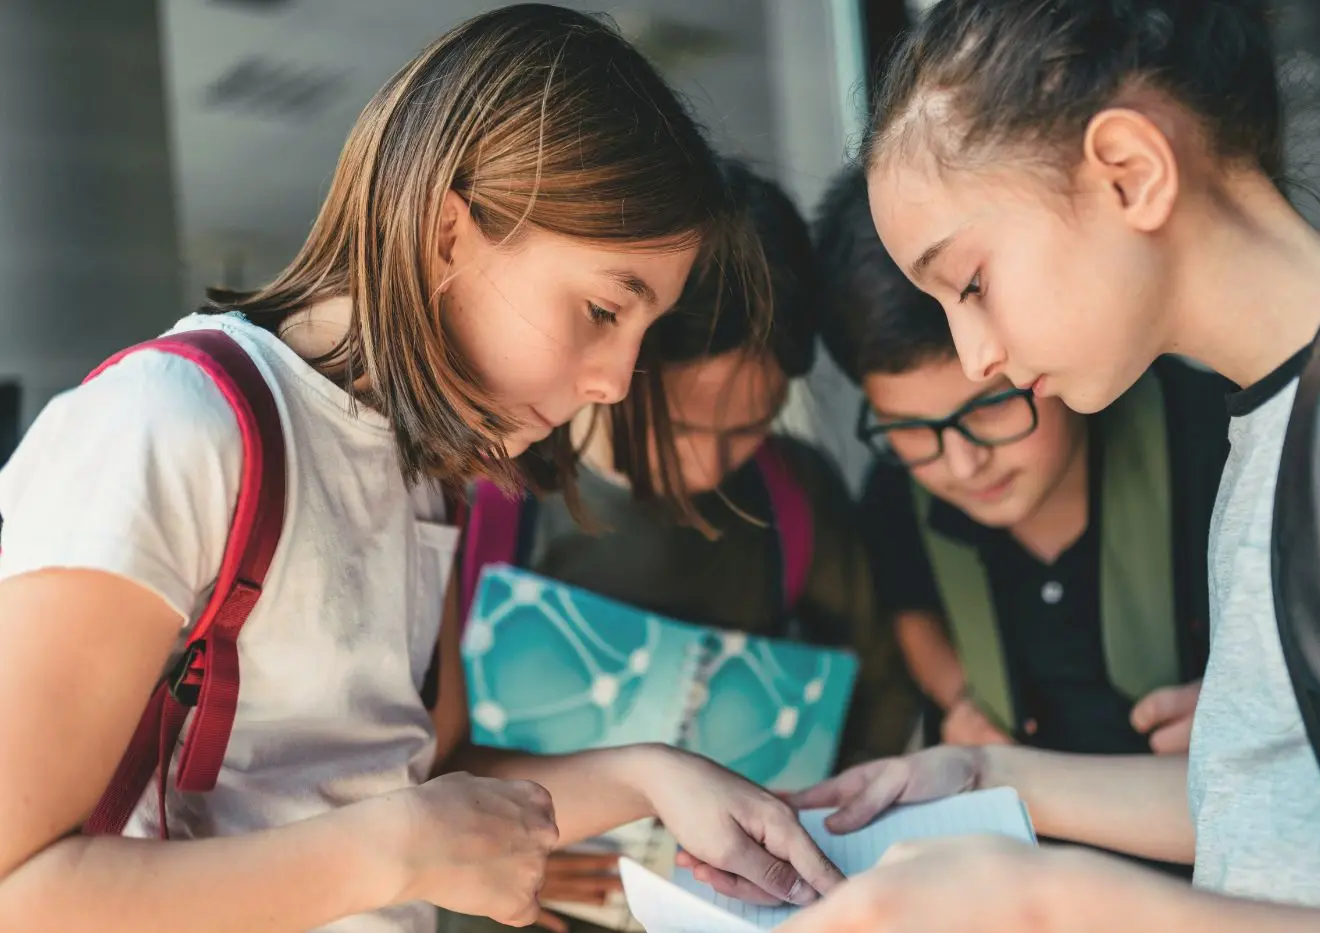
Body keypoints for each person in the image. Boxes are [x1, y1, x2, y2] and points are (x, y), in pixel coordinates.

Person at [0, 8, 844, 933]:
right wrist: (390, 852)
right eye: (604, 310)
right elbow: (18, 889)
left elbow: (416, 783)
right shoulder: (171, 426)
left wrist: (654, 776)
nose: (614, 381)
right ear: (448, 233)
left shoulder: (426, 470)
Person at [684, 0, 1320, 929]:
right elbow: (1278, 812)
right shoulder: (1273, 424)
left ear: (1130, 172)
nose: (976, 356)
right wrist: (985, 775)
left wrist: (1049, 899)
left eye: (971, 283)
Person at [443, 160, 918, 933]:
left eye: (751, 427)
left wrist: (821, 825)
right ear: (617, 362)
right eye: (686, 427)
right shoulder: (482, 497)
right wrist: (503, 851)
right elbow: (416, 757)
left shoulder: (793, 498)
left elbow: (882, 691)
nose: (711, 465)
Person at [814, 167, 1229, 758]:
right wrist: (958, 698)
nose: (962, 464)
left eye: (991, 407)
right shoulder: (895, 495)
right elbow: (910, 604)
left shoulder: (1216, 445)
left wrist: (1248, 703)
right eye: (909, 428)